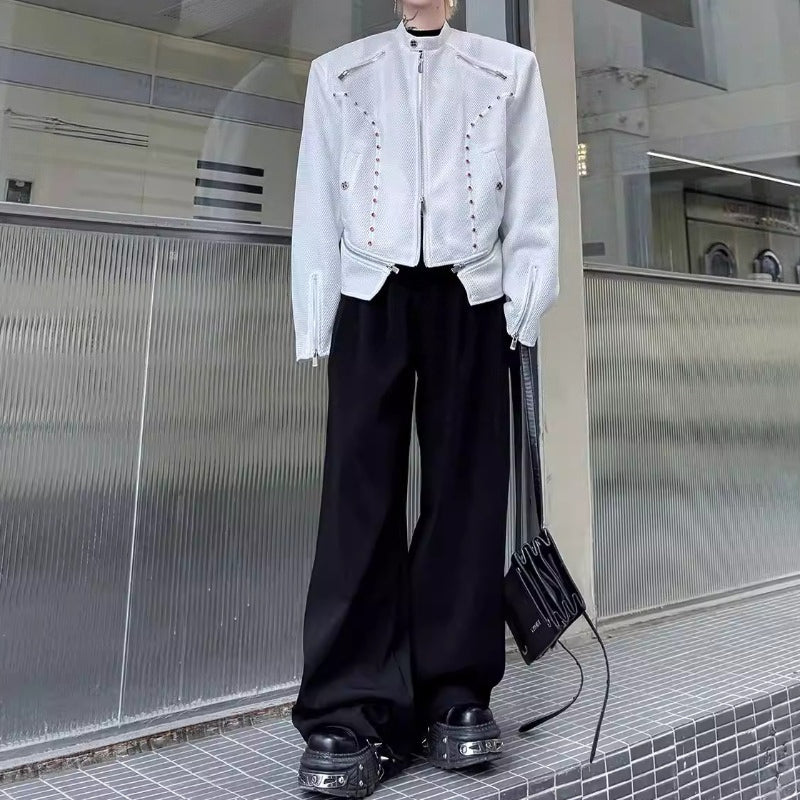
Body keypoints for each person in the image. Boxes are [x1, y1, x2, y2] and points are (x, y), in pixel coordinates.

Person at [289, 0, 559, 795]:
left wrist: (525, 302)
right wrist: (316, 313)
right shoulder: (340, 74)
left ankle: (454, 690)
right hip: (368, 293)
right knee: (356, 498)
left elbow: (533, 197)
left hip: (472, 297)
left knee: (466, 496)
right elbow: (316, 200)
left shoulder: (508, 71)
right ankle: (348, 706)